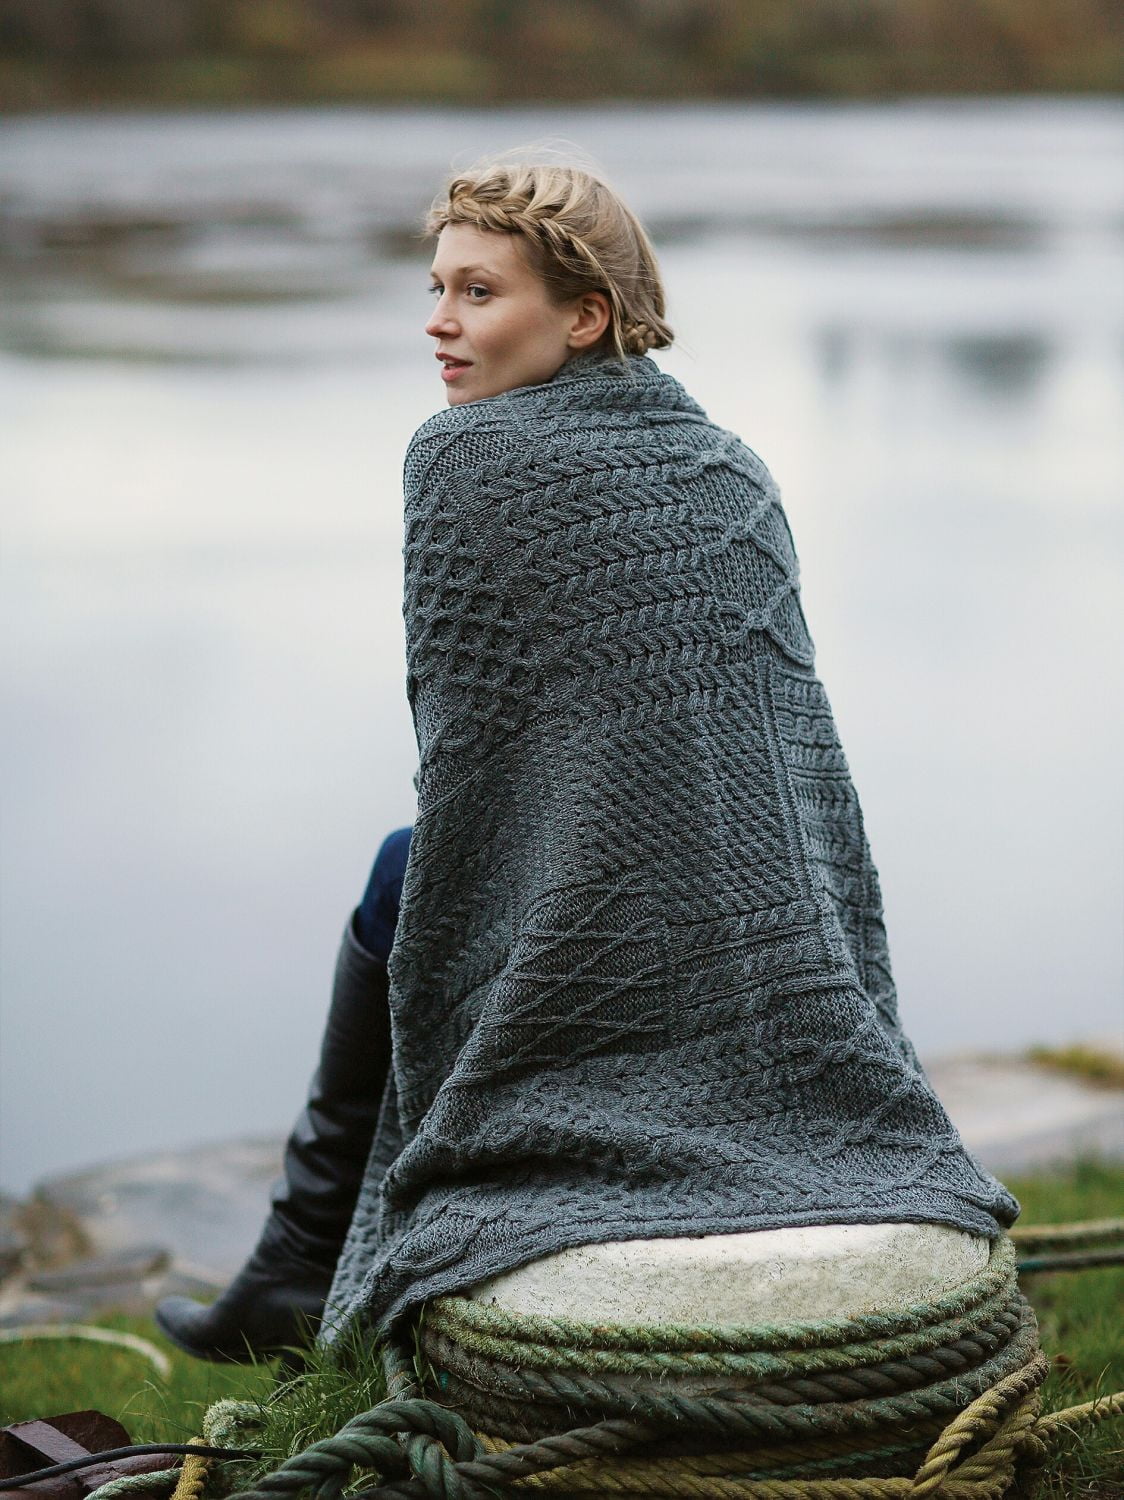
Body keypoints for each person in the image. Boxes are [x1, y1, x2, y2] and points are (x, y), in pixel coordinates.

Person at [157, 159, 1016, 1362]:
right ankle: (290, 1260)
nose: (438, 321)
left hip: (604, 939)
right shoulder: (727, 465)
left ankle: (295, 1259)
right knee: (405, 862)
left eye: (477, 292)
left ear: (583, 316)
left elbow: (467, 768)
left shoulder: (462, 458)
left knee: (405, 870)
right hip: (774, 933)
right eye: (435, 288)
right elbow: (787, 761)